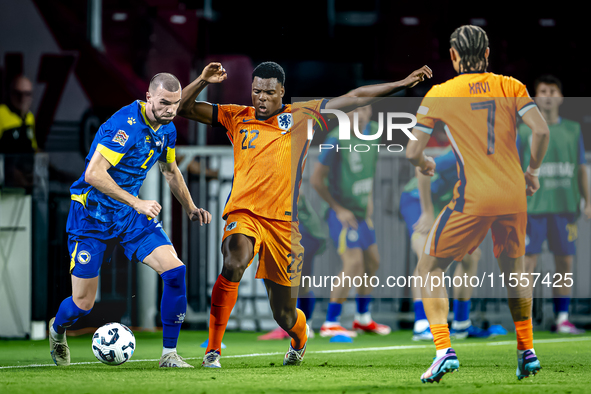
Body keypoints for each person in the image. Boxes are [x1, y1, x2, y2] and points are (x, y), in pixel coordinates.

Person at [178, 61, 432, 368]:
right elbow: (183, 108)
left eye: (269, 93)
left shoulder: (302, 116)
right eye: (256, 91)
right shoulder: (236, 116)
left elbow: (356, 96)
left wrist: (402, 82)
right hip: (244, 214)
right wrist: (203, 80)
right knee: (234, 260)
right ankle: (213, 350)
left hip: (284, 226)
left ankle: (299, 337)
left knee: (283, 313)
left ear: (282, 92)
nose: (261, 98)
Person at [406, 25, 550, 382]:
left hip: (474, 195)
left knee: (429, 269)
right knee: (514, 272)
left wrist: (423, 164)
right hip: (514, 193)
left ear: (453, 56)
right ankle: (526, 350)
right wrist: (532, 171)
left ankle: (444, 349)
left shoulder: (440, 92)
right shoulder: (512, 85)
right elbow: (542, 131)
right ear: (488, 54)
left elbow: (413, 151)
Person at [48, 71, 215, 368]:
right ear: (149, 97)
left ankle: (169, 355)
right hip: (91, 216)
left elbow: (170, 170)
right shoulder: (124, 126)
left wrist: (190, 206)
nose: (171, 110)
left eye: (176, 104)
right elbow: (93, 174)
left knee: (175, 272)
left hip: (128, 216)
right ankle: (57, 330)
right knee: (82, 305)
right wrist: (137, 201)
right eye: (164, 103)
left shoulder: (167, 128)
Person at [518, 75, 591, 334]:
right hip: (532, 208)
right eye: (542, 91)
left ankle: (562, 318)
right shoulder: (524, 131)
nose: (547, 95)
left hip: (565, 207)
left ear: (560, 97)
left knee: (565, 263)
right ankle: (523, 321)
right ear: (535, 98)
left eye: (552, 90)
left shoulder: (572, 129)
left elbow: (581, 168)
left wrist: (588, 201)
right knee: (527, 263)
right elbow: (515, 169)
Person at [310, 105, 390, 337]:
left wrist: (370, 203)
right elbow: (316, 179)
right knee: (354, 264)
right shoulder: (335, 139)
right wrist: (338, 209)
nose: (360, 114)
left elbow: (369, 170)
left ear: (370, 113)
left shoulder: (374, 131)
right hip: (341, 213)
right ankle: (330, 322)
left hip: (362, 213)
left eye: (364, 109)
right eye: (354, 111)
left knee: (372, 262)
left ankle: (362, 319)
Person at [400, 147, 489, 340]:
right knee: (425, 254)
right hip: (418, 199)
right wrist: (427, 211)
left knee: (472, 255)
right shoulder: (459, 153)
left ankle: (461, 324)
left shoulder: (492, 158)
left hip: (447, 204)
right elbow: (421, 169)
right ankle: (422, 324)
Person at [258, 195, 326, 340]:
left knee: (288, 281)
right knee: (300, 284)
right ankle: (302, 325)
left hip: (300, 233)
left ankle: (294, 325)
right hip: (306, 234)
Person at [0, 75, 37, 190]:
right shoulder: (2, 114)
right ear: (10, 93)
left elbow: (33, 148)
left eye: (27, 94)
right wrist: (9, 171)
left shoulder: (30, 118)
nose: (22, 98)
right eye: (18, 93)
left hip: (25, 181)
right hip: (5, 184)